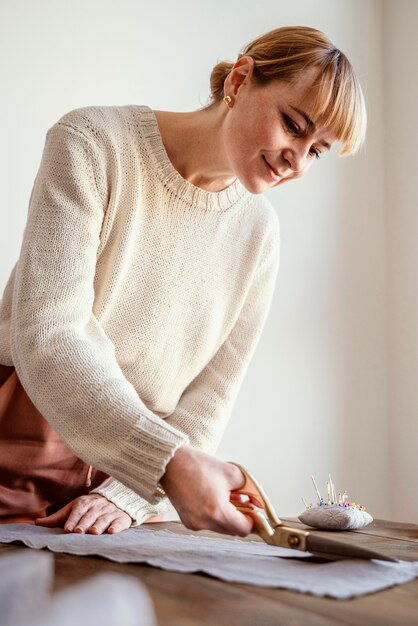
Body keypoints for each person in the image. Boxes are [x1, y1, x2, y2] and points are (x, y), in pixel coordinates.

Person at [0, 25, 366, 537]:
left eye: (318, 151)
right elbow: (47, 333)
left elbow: (211, 396)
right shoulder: (92, 142)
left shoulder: (260, 235)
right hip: (23, 439)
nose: (297, 161)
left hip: (132, 483)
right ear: (240, 80)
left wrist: (131, 490)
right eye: (293, 125)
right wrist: (164, 463)